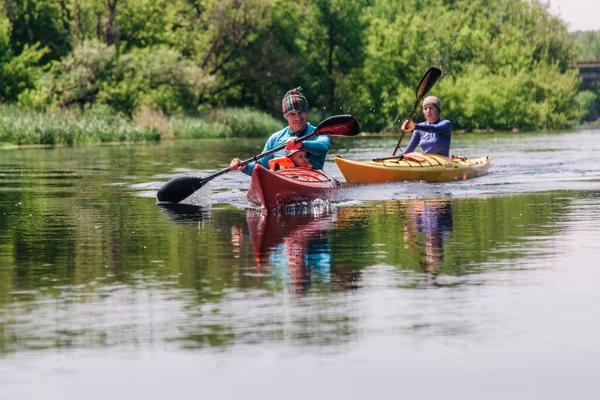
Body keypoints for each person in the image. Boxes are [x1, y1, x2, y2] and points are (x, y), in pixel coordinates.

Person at [229, 87, 330, 174]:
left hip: (312, 179)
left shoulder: (318, 133)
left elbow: (324, 146)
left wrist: (301, 144)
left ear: (306, 112)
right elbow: (260, 168)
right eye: (292, 114)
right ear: (285, 116)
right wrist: (243, 166)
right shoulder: (275, 139)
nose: (298, 118)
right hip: (283, 180)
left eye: (301, 112)